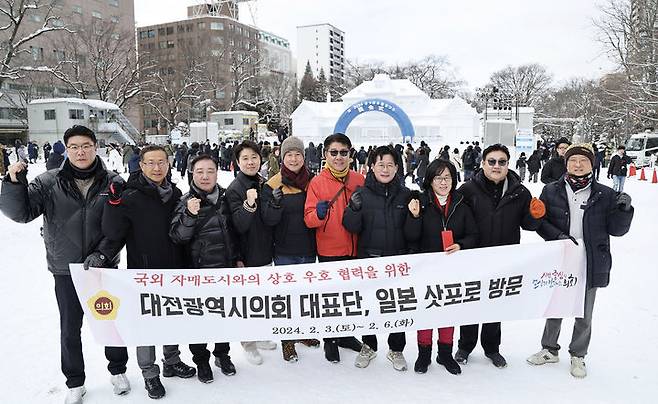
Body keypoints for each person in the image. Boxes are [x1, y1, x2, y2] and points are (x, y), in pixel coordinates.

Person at [0, 125, 130, 404]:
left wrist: (104, 255)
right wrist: (13, 184)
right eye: (74, 147)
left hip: (102, 267)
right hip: (65, 268)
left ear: (96, 147)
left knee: (110, 321)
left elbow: (121, 228)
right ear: (66, 150)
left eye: (86, 145)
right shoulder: (48, 182)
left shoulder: (113, 181)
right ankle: (75, 381)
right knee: (70, 328)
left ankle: (118, 369)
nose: (80, 151)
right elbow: (21, 214)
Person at [527, 144, 634, 378]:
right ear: (566, 163)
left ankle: (578, 355)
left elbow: (616, 230)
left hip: (591, 259)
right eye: (573, 160)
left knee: (584, 312)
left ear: (591, 164)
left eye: (583, 161)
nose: (577, 165)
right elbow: (541, 224)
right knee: (555, 306)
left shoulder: (605, 194)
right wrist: (558, 236)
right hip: (560, 258)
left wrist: (623, 210)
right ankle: (549, 349)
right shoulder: (551, 191)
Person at [102, 145, 196, 399]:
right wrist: (113, 203)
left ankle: (172, 360)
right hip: (144, 272)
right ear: (141, 165)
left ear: (168, 164)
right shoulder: (130, 196)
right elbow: (113, 233)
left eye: (161, 162)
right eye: (150, 163)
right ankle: (149, 373)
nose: (156, 168)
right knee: (146, 323)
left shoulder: (175, 194)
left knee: (172, 317)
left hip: (174, 269)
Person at [455, 143, 546, 369]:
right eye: (492, 161)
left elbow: (528, 224)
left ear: (508, 165)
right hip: (473, 258)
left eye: (502, 162)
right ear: (483, 163)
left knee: (495, 305)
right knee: (471, 303)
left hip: (504, 260)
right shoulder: (467, 190)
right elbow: (456, 221)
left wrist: (535, 215)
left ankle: (492, 348)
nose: (497, 166)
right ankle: (465, 346)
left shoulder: (519, 191)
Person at [404, 159, 479, 375]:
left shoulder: (461, 204)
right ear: (429, 180)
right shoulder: (419, 201)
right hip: (426, 269)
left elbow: (474, 235)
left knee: (448, 311)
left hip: (453, 270)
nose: (443, 182)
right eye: (438, 177)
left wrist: (461, 244)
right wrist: (414, 216)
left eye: (447, 177)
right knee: (427, 310)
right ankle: (424, 353)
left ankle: (445, 353)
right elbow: (410, 236)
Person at [169, 154, 239, 383]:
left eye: (210, 171)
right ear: (192, 174)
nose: (205, 176)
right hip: (198, 274)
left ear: (217, 173)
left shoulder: (226, 198)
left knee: (225, 317)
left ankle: (223, 354)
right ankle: (201, 360)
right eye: (200, 171)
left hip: (226, 271)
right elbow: (177, 236)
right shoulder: (185, 200)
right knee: (198, 321)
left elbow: (235, 232)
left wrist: (238, 258)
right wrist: (190, 214)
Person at [342, 146, 412, 371]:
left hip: (397, 262)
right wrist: (352, 209)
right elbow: (351, 227)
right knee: (369, 306)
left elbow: (412, 230)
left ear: (397, 168)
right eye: (380, 164)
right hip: (369, 261)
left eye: (390, 165)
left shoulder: (406, 194)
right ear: (372, 167)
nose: (385, 169)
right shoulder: (362, 193)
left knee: (397, 306)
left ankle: (396, 348)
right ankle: (369, 345)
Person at [304, 133, 365, 363]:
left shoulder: (359, 180)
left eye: (344, 152)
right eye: (334, 152)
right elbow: (309, 219)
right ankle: (330, 340)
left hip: (356, 247)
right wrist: (319, 214)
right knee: (331, 297)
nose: (339, 157)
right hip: (330, 249)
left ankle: (346, 334)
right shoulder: (317, 183)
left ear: (350, 154)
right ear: (325, 155)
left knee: (351, 296)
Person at [261, 136, 320, 362]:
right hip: (284, 250)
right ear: (282, 157)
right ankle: (287, 340)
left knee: (305, 294)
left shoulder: (312, 182)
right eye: (289, 155)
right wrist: (274, 204)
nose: (294, 158)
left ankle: (303, 332)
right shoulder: (273, 184)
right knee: (287, 296)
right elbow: (268, 220)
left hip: (308, 248)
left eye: (297, 154)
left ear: (303, 157)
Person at [224, 140, 277, 365]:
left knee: (263, 298)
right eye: (245, 158)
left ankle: (262, 334)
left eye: (254, 157)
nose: (250, 162)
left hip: (264, 251)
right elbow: (237, 226)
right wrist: (248, 204)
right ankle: (248, 343)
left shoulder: (263, 183)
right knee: (247, 302)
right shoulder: (235, 188)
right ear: (237, 162)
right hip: (247, 255)